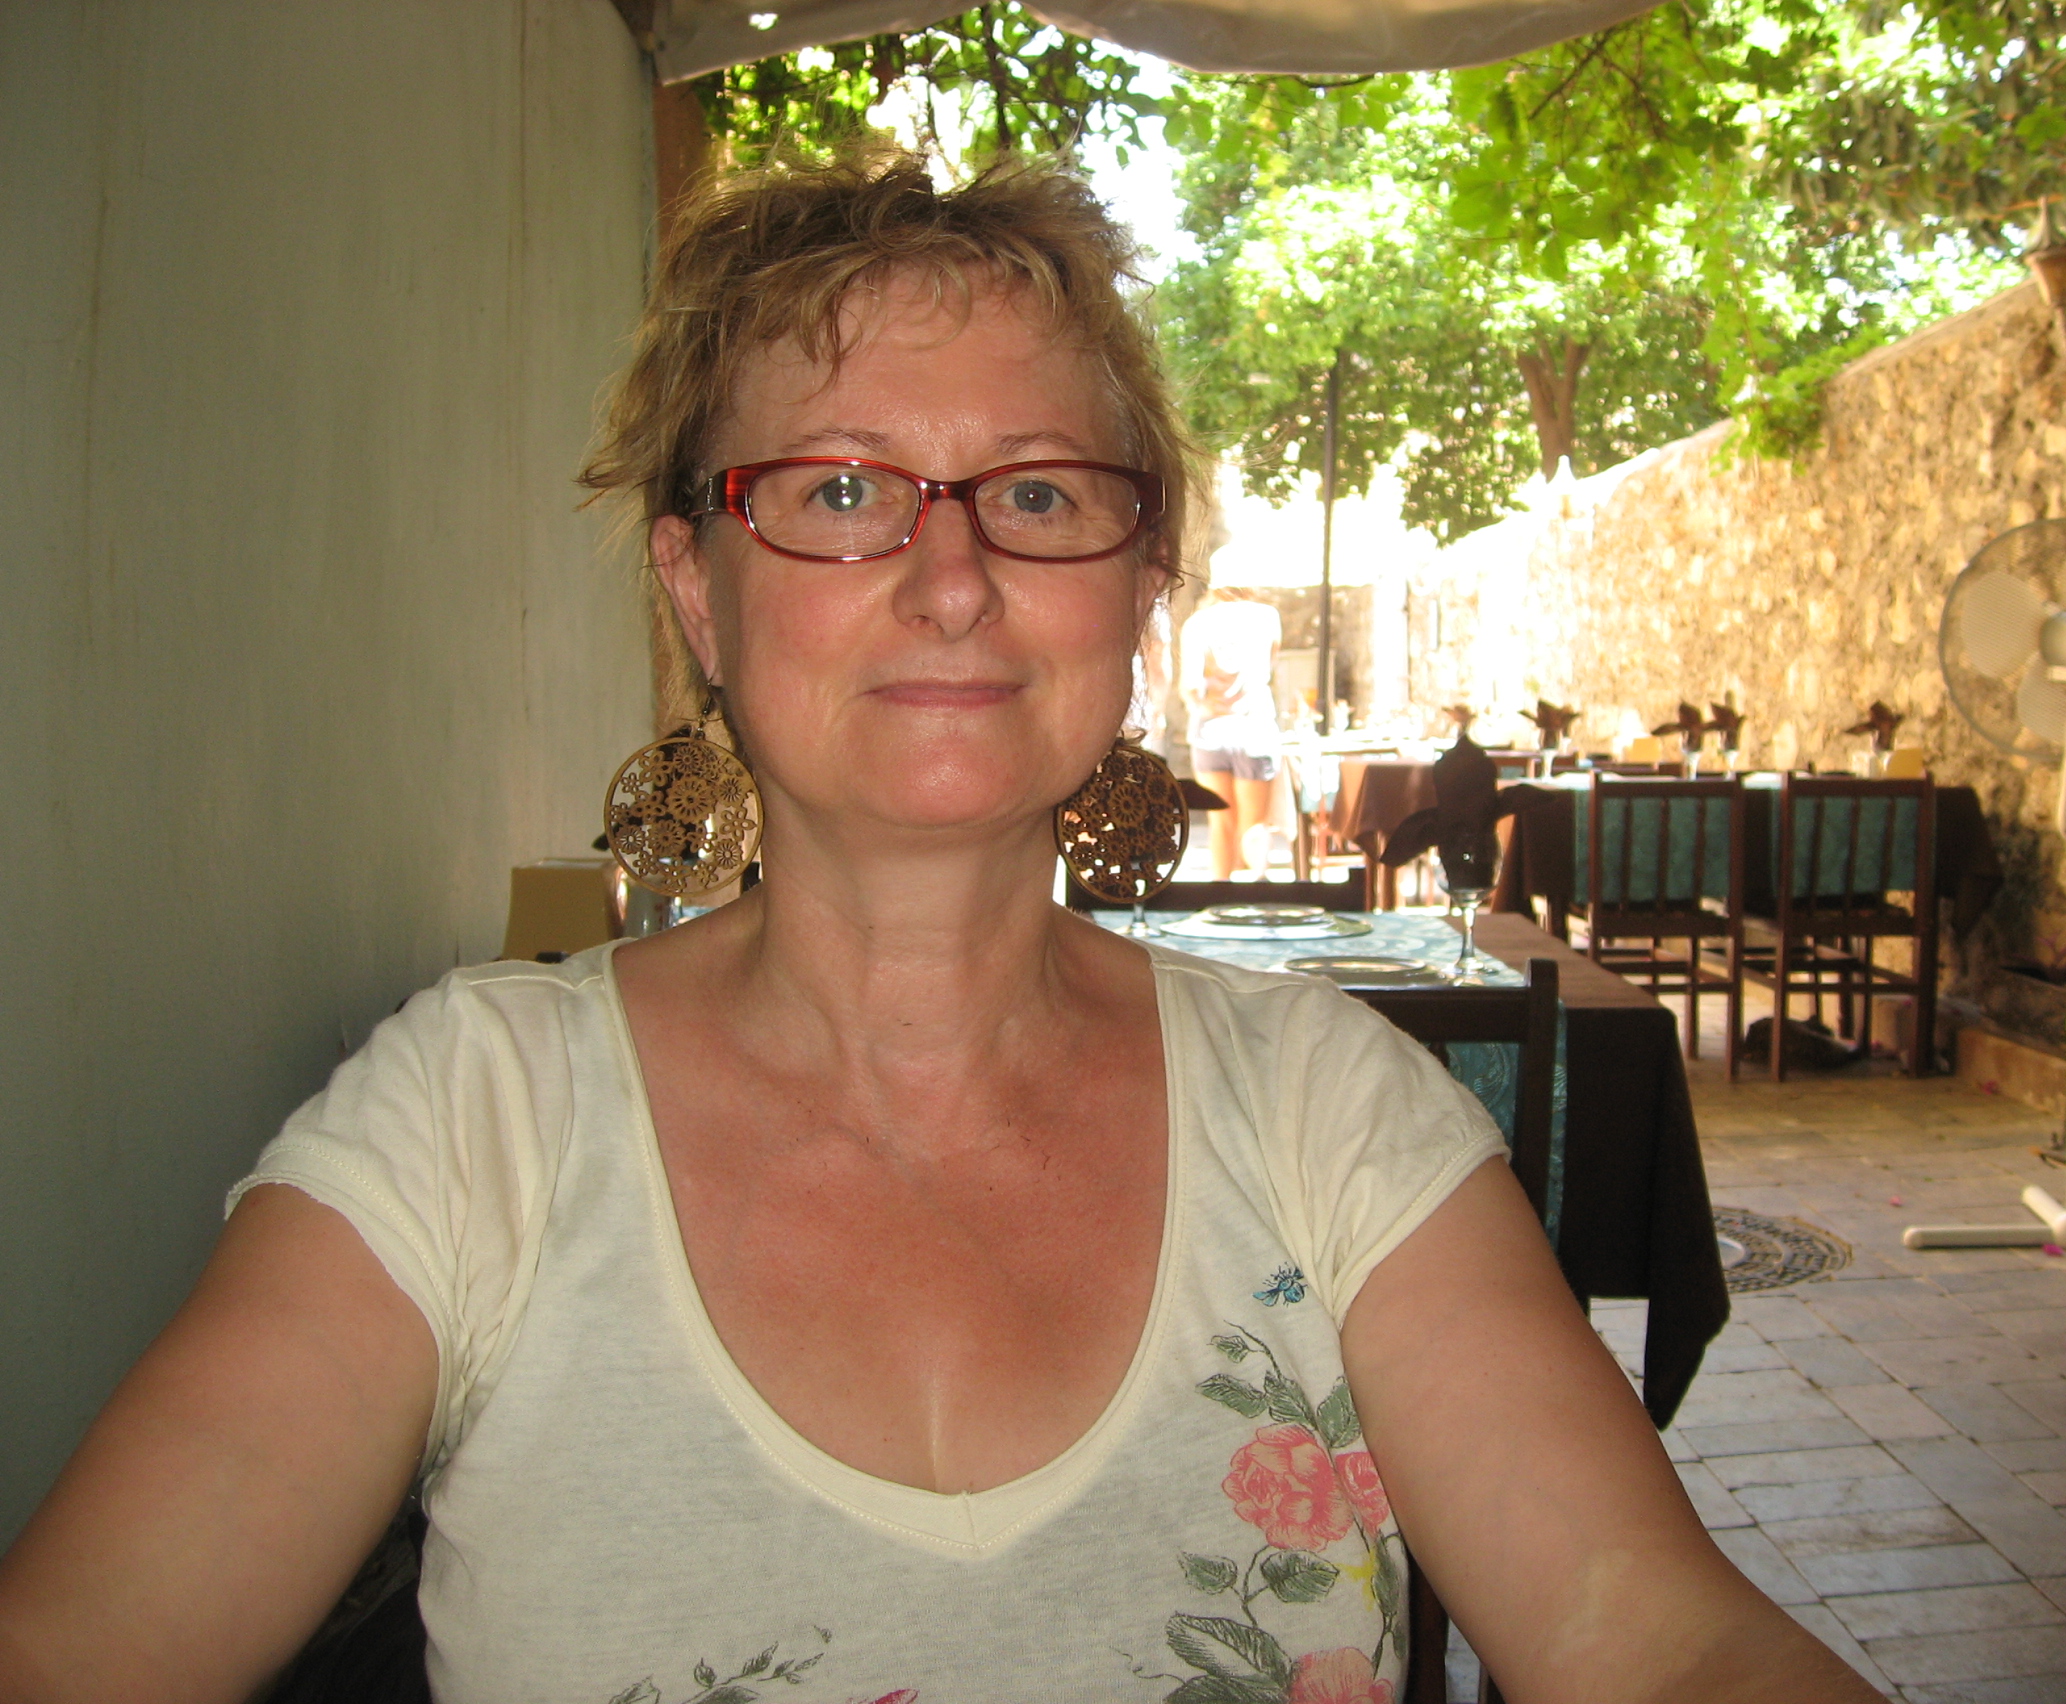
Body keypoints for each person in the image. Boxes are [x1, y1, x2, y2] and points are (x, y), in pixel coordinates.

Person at [0, 153, 1876, 1704]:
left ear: (1136, 589)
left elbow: (1651, 1636)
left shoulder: (1335, 1116)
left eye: (1038, 491)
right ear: (696, 589)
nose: (956, 576)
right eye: (840, 489)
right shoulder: (469, 1117)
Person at [1178, 586, 1283, 879]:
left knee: (1221, 823)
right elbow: (1271, 665)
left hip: (1210, 732)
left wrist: (1204, 704)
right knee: (1254, 825)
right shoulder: (1266, 616)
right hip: (1254, 728)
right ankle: (1258, 891)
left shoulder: (1197, 623)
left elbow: (1189, 686)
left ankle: (1220, 893)